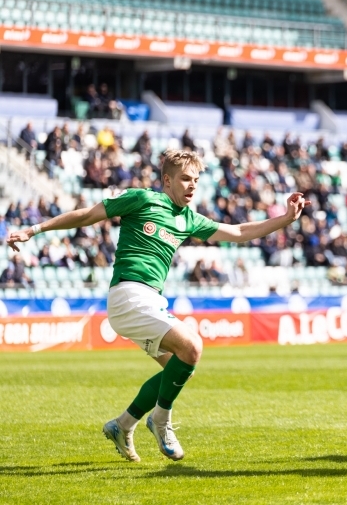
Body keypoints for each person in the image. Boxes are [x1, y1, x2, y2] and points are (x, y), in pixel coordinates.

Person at [6, 150, 310, 462]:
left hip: (150, 300)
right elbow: (86, 215)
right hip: (128, 294)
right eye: (185, 179)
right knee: (192, 346)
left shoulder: (188, 218)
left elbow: (239, 232)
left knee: (180, 369)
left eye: (196, 180)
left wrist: (286, 218)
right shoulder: (141, 199)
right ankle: (160, 420)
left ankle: (122, 425)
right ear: (167, 180)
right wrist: (34, 230)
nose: (192, 186)